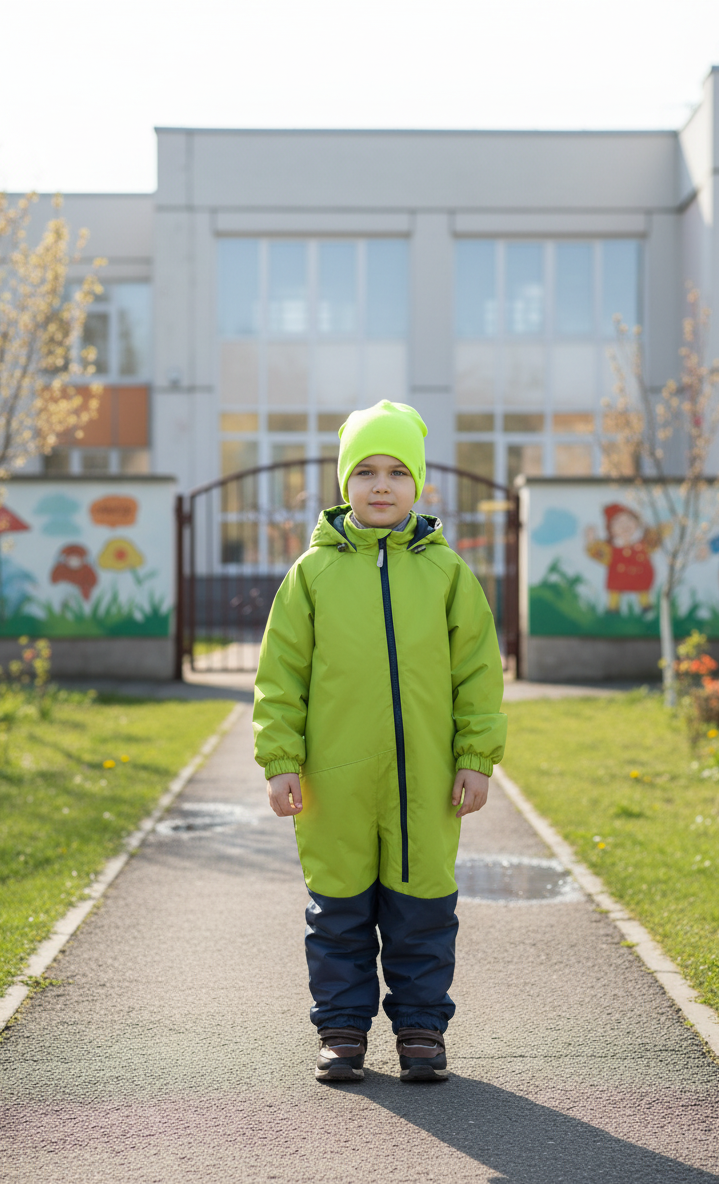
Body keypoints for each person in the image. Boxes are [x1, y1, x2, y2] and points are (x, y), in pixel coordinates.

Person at [253, 400, 506, 1084]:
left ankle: (422, 1030)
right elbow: (281, 677)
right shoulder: (312, 575)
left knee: (422, 910)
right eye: (364, 471)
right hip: (336, 782)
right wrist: (281, 761)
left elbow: (479, 674)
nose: (381, 485)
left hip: (426, 780)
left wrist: (475, 760)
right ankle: (341, 1032)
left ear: (419, 483)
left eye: (397, 471)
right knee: (337, 913)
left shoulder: (448, 574)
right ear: (344, 484)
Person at [584, 503, 665, 615]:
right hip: (618, 576)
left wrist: (659, 528)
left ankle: (646, 608)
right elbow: (598, 554)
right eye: (618, 523)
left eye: (629, 520)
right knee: (614, 592)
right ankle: (613, 610)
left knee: (643, 591)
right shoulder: (611, 548)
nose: (624, 525)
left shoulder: (643, 543)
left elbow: (656, 539)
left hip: (641, 575)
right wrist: (591, 541)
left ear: (636, 523)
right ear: (611, 530)